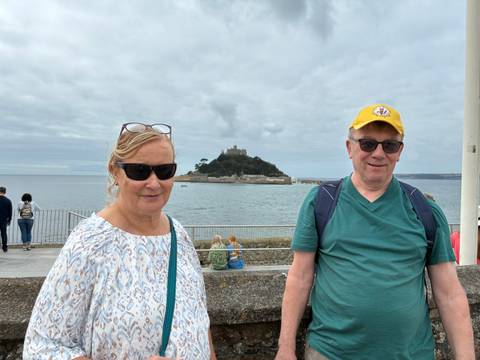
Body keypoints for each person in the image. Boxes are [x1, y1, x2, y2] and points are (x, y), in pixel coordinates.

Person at [275, 104, 475, 360]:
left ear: (400, 151)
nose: (378, 153)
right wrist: (285, 348)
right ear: (350, 148)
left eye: (389, 145)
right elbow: (299, 278)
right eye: (368, 143)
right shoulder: (321, 202)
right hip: (330, 353)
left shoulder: (424, 209)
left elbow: (449, 292)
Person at [23, 122, 216, 360]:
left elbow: (199, 320)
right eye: (139, 171)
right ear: (115, 171)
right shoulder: (90, 242)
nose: (154, 183)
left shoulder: (180, 235)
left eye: (165, 170)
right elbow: (42, 346)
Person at [0, 187, 12, 253]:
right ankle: (4, 247)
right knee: (4, 234)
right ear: (5, 192)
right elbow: (10, 212)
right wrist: (9, 220)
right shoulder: (8, 201)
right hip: (4, 220)